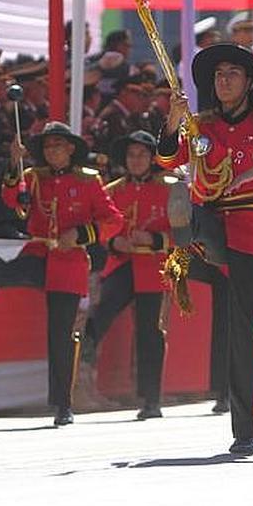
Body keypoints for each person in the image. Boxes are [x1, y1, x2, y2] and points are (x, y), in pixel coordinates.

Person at [158, 43, 253, 456]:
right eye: (218, 74)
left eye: (232, 74)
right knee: (186, 209)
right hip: (210, 216)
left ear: (249, 83)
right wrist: (172, 124)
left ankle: (246, 429)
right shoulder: (199, 123)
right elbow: (168, 159)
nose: (223, 80)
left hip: (252, 230)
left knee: (245, 327)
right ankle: (188, 241)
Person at [0, 121, 124, 425]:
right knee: (23, 267)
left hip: (69, 262)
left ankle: (62, 403)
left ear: (70, 149)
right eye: (47, 146)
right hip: (40, 251)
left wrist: (82, 234)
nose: (52, 151)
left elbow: (114, 221)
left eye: (58, 145)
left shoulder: (88, 180)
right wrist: (14, 162)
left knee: (60, 334)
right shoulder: (34, 177)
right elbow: (13, 199)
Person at [81, 131, 174, 420]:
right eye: (132, 155)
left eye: (142, 155)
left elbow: (184, 233)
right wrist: (112, 242)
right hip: (120, 265)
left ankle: (151, 399)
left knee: (150, 333)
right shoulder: (111, 190)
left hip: (154, 268)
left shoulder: (170, 189)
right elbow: (99, 226)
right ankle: (77, 384)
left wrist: (155, 240)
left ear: (152, 158)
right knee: (98, 317)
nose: (136, 160)